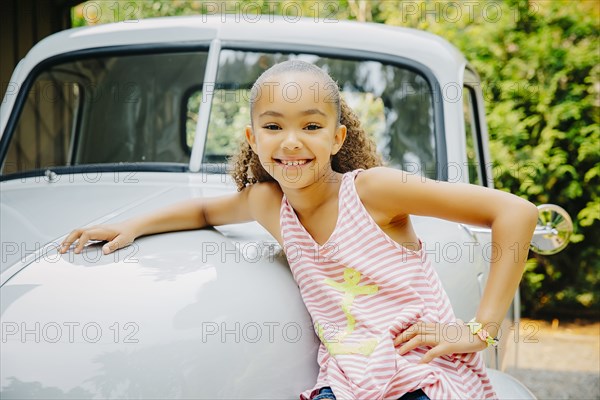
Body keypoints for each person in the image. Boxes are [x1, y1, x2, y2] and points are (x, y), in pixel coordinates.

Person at [59, 60, 539, 400]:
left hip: (421, 376)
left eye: (311, 126)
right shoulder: (269, 203)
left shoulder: (375, 190)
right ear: (253, 137)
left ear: (337, 136)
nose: (291, 142)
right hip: (347, 383)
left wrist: (481, 329)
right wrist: (132, 226)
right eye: (273, 126)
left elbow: (516, 213)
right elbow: (204, 213)